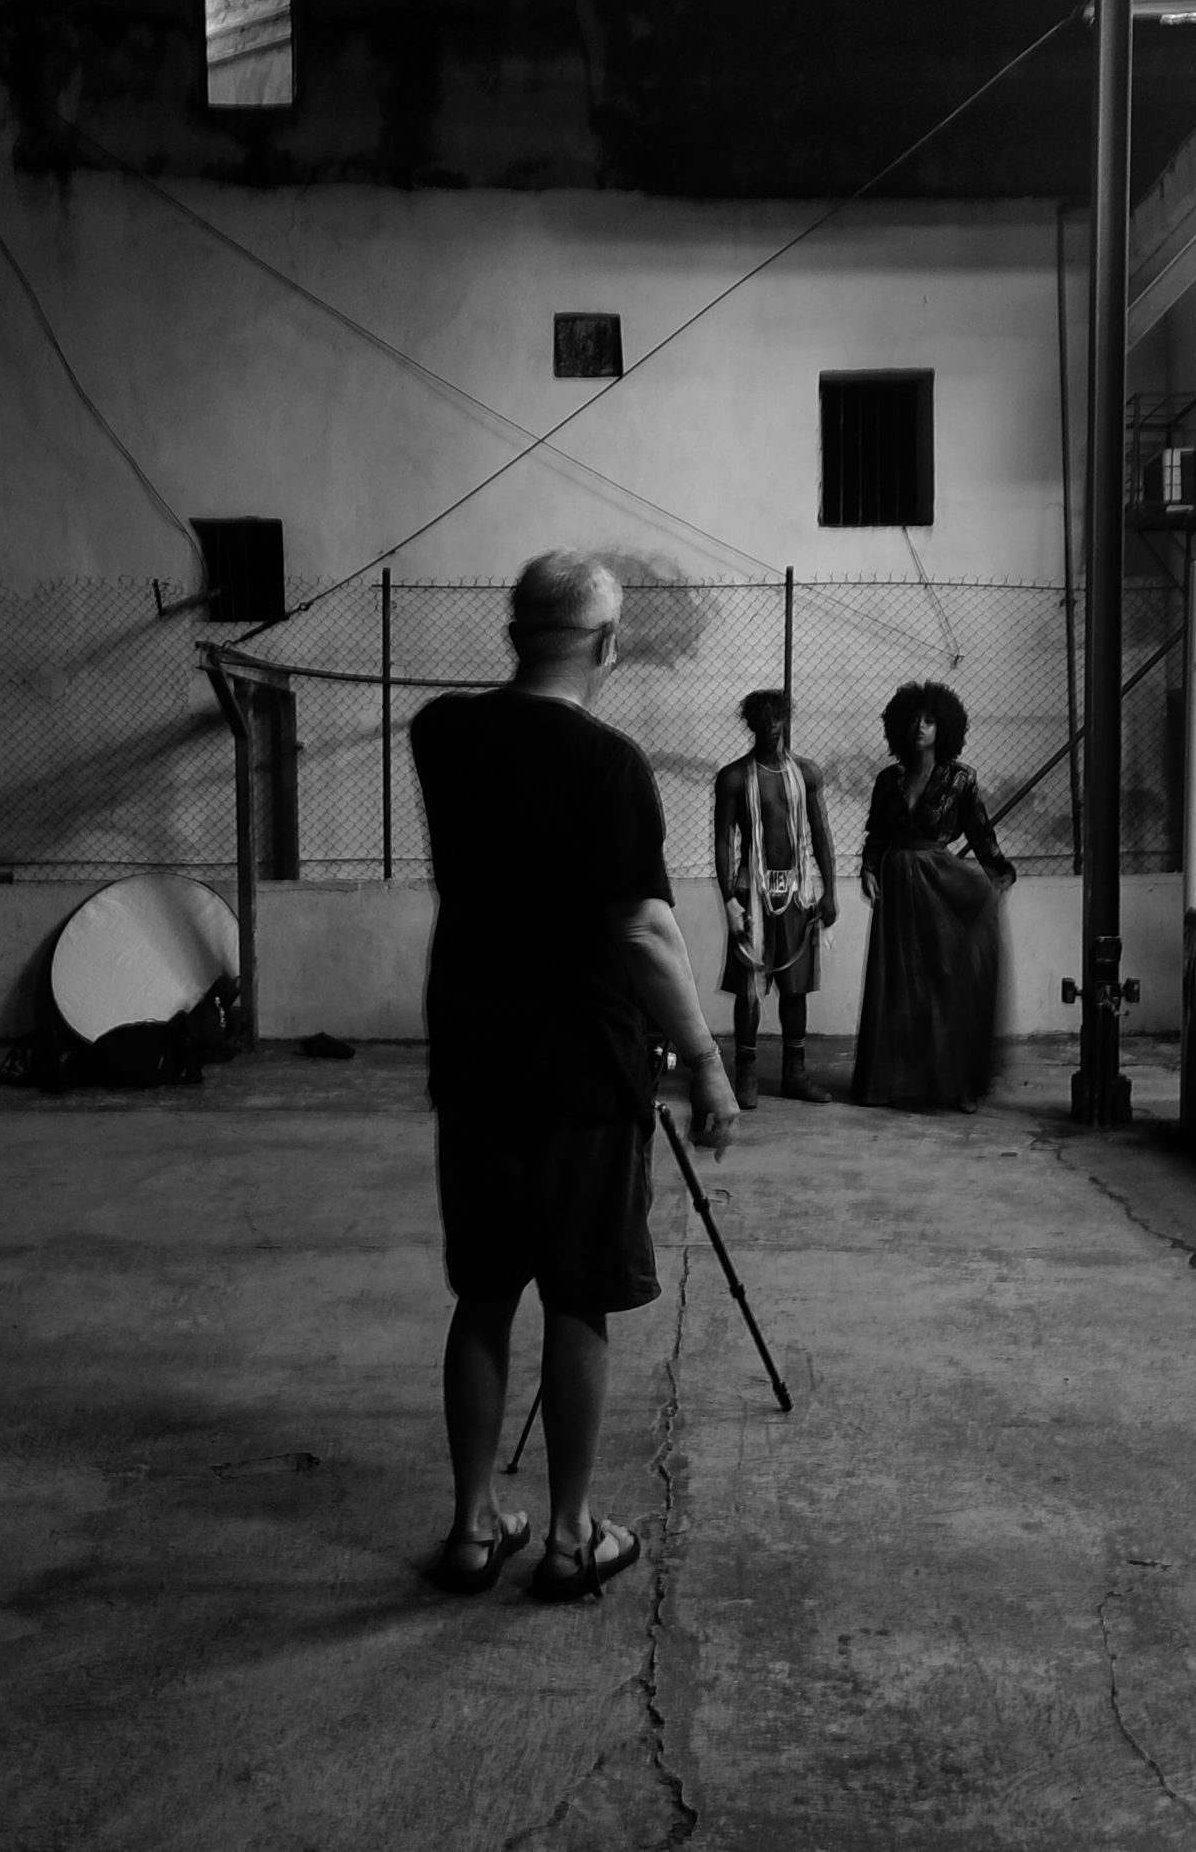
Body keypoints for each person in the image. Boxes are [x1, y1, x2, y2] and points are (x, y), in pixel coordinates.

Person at [410, 549, 740, 1603]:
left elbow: (478, 722)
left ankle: (470, 1531)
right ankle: (568, 1534)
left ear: (513, 635)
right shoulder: (611, 765)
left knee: (484, 1294)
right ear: (609, 643)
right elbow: (643, 926)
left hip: (472, 1063)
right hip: (581, 1073)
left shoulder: (442, 738)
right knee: (577, 1301)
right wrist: (704, 1060)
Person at [850, 681, 1015, 1112]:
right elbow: (878, 833)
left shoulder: (961, 778)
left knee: (944, 983)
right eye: (913, 720)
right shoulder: (889, 779)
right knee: (899, 986)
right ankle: (893, 1083)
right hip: (896, 885)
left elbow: (980, 833)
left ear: (945, 727)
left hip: (940, 884)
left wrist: (999, 874)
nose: (920, 727)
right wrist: (868, 868)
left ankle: (952, 1082)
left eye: (929, 720)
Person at [713, 689, 840, 1107]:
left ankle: (795, 1075)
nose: (770, 728)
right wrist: (730, 899)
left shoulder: (807, 774)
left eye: (777, 720)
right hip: (752, 890)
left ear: (786, 721)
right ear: (750, 725)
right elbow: (723, 841)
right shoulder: (733, 777)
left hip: (798, 890)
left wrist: (831, 892)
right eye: (762, 721)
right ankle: (745, 1077)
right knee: (750, 987)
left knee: (795, 987)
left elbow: (821, 834)